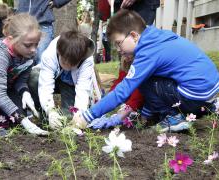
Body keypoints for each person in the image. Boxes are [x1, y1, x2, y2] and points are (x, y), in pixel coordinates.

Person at [72, 10, 219, 133]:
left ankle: (173, 117)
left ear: (134, 36)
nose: (118, 49)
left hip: (194, 96)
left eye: (118, 43)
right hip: (207, 93)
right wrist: (146, 115)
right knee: (149, 79)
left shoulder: (147, 52)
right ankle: (205, 108)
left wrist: (87, 116)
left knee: (142, 81)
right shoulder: (155, 37)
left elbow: (123, 91)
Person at [0, 13, 48, 139]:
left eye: (36, 44)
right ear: (12, 39)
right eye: (28, 45)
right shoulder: (1, 54)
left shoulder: (28, 54)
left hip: (6, 89)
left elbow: (21, 81)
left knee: (16, 123)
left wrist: (25, 92)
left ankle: (2, 119)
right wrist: (22, 119)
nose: (34, 50)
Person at [29, 30, 95, 129]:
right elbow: (46, 86)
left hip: (69, 88)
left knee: (68, 118)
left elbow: (83, 89)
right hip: (54, 86)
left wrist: (79, 114)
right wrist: (50, 110)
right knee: (33, 77)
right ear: (59, 52)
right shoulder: (49, 54)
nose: (67, 66)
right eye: (64, 61)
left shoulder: (87, 60)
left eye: (72, 64)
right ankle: (45, 114)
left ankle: (57, 114)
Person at [17, 0, 72, 64]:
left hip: (42, 25)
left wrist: (56, 2)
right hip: (23, 26)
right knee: (24, 62)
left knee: (42, 61)